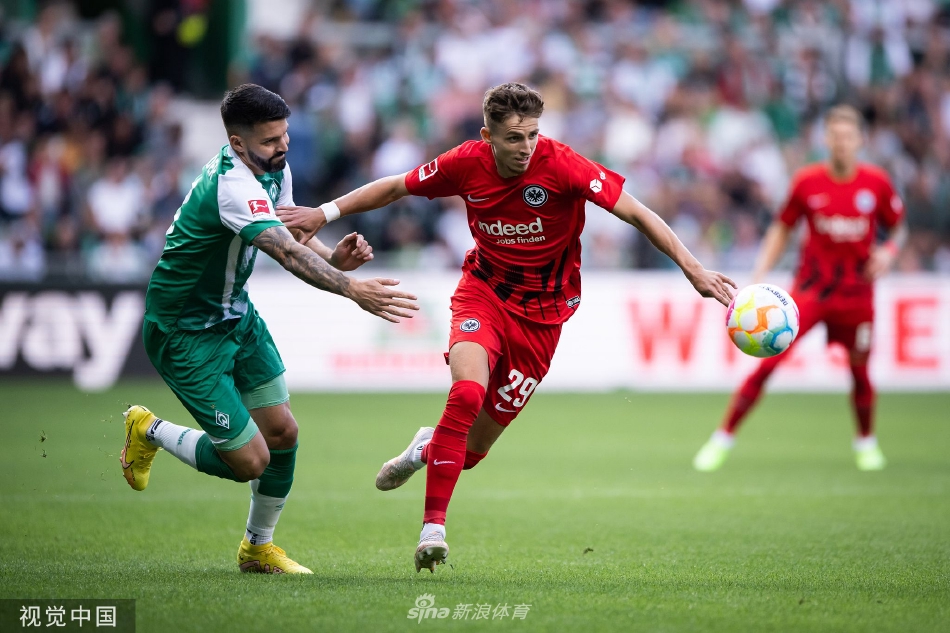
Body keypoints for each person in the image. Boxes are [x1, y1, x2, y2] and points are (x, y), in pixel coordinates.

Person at [277, 82, 736, 572]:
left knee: (472, 450)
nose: (526, 147)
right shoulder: (464, 163)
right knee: (466, 394)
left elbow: (638, 213)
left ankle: (424, 448)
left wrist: (693, 269)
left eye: (533, 134)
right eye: (514, 137)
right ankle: (433, 529)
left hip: (543, 318)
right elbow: (395, 186)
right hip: (485, 293)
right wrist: (324, 212)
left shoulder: (564, 166)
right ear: (488, 136)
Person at [120, 84, 419, 574]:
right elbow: (285, 252)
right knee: (249, 462)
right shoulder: (232, 186)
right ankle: (147, 429)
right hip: (184, 331)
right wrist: (351, 288)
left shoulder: (273, 167)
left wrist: (334, 258)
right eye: (269, 140)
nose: (282, 146)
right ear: (237, 143)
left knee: (282, 432)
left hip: (235, 314)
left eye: (284, 135)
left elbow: (290, 232)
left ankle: (258, 548)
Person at [693, 105, 906, 473]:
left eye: (848, 136)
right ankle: (722, 438)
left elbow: (898, 227)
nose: (841, 143)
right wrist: (760, 272)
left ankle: (866, 442)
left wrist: (888, 251)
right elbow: (782, 228)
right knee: (768, 363)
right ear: (826, 139)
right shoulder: (807, 182)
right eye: (834, 136)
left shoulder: (877, 183)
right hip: (810, 292)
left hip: (857, 295)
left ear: (860, 140)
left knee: (860, 372)